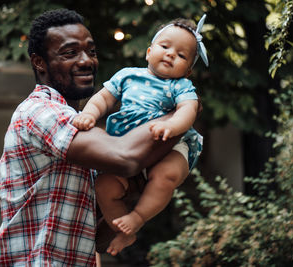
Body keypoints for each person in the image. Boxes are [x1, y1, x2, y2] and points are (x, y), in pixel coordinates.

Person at [0, 9, 180, 266]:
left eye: (91, 51)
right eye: (70, 53)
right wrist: (178, 115)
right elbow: (126, 157)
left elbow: (96, 238)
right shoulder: (41, 112)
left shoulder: (80, 128)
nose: (86, 60)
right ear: (39, 62)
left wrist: (131, 199)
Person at [73, 15, 209, 256]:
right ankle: (123, 232)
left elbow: (188, 109)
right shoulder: (127, 75)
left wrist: (173, 127)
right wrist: (89, 114)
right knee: (104, 186)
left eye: (181, 55)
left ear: (187, 71)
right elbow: (103, 98)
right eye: (165, 47)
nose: (170, 55)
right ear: (148, 52)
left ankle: (138, 217)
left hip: (168, 146)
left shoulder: (180, 86)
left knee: (166, 174)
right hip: (125, 145)